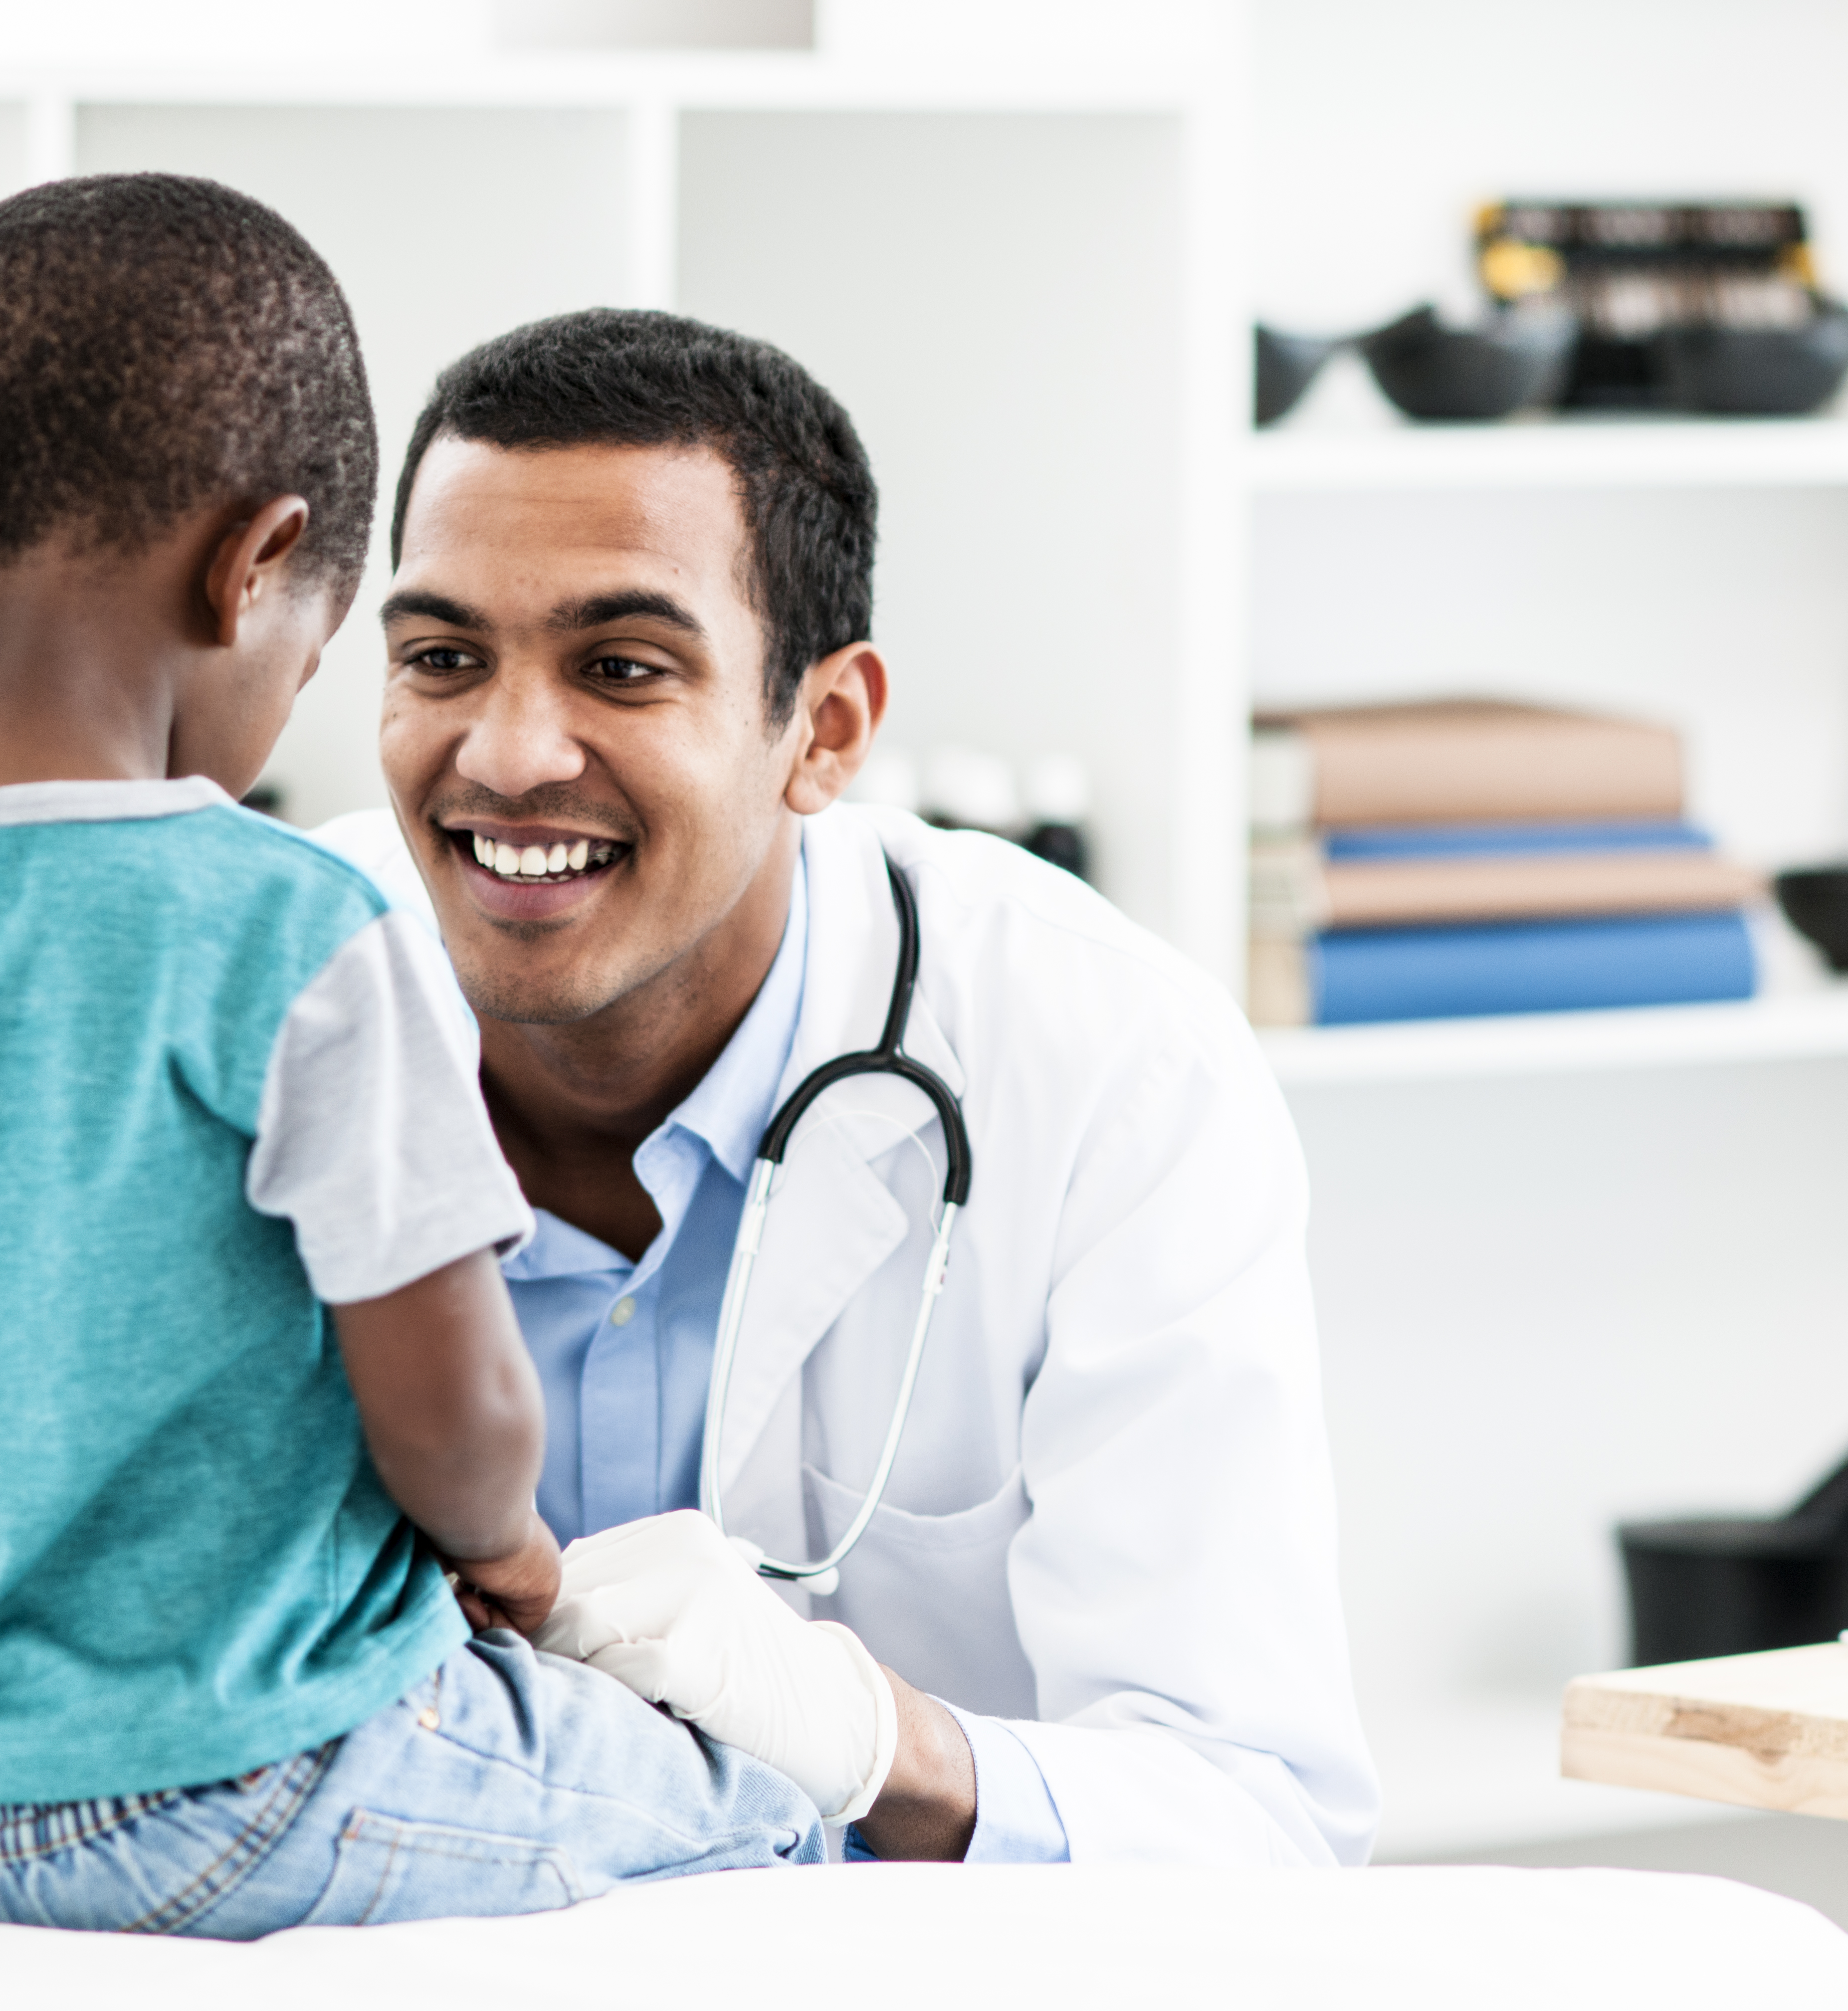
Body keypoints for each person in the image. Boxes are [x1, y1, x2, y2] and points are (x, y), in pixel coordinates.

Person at [0, 178, 837, 1939]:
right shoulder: (295, 935)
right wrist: (509, 1559)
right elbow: (457, 1413)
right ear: (254, 568)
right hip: (233, 1788)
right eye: (334, 644)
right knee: (754, 1815)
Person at [314, 309, 1381, 1866]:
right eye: (441, 659)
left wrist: (876, 1740)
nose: (511, 750)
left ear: (825, 729)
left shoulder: (1106, 1068)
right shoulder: (260, 1005)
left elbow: (1261, 1817)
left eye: (620, 666)